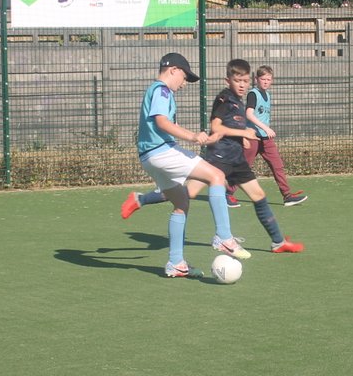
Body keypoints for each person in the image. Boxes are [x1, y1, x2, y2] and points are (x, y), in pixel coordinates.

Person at [127, 52, 250, 278]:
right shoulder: (161, 90)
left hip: (149, 158)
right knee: (216, 176)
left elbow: (165, 123)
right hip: (161, 152)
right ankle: (224, 237)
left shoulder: (159, 93)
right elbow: (161, 122)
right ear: (173, 70)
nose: (184, 84)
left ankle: (176, 263)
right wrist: (193, 137)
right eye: (184, 77)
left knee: (182, 202)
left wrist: (206, 138)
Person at [207, 58, 305, 254]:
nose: (242, 85)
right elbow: (215, 127)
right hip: (220, 154)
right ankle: (144, 199)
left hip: (237, 154)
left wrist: (242, 136)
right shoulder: (225, 98)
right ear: (228, 81)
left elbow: (236, 123)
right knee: (188, 193)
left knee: (259, 193)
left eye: (245, 80)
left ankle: (278, 241)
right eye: (238, 81)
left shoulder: (239, 99)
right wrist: (245, 134)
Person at [227, 65, 307, 207]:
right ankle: (227, 194)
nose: (265, 82)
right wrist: (265, 128)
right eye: (263, 79)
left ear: (272, 80)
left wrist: (266, 130)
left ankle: (287, 196)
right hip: (253, 137)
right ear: (257, 79)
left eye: (268, 79)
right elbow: (249, 114)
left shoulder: (267, 95)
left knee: (278, 165)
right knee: (244, 166)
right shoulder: (253, 94)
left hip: (266, 139)